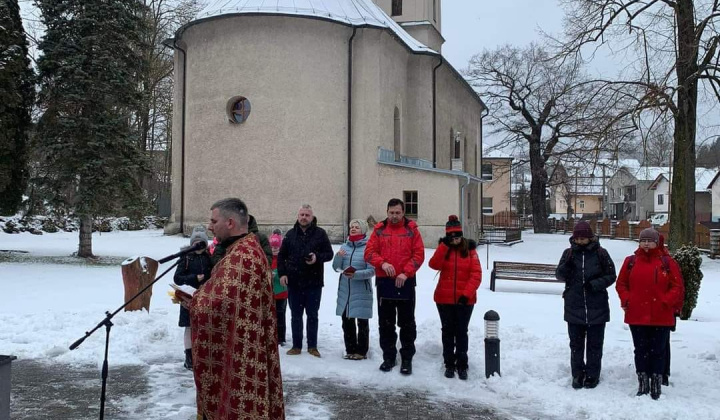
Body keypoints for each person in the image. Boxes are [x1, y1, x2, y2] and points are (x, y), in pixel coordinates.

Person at [185, 198, 284, 419]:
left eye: (213, 221)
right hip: (238, 342)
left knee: (242, 403)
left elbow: (221, 300)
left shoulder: (244, 256)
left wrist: (196, 302)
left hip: (245, 348)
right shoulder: (238, 250)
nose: (209, 226)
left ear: (230, 223)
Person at [616, 227, 684, 400]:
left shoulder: (667, 262)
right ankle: (643, 382)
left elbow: (677, 286)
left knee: (658, 350)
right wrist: (627, 299)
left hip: (661, 315)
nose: (646, 244)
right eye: (643, 240)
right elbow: (621, 284)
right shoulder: (630, 261)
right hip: (637, 314)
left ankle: (656, 383)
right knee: (640, 350)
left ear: (656, 242)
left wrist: (665, 301)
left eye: (649, 241)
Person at [364, 198, 425, 375]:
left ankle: (407, 358)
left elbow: (419, 254)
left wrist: (405, 273)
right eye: (391, 213)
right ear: (387, 212)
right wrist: (382, 264)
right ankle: (389, 357)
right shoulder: (380, 229)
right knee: (386, 323)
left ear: (403, 212)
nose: (395, 216)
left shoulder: (411, 230)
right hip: (385, 282)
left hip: (405, 281)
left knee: (407, 323)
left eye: (398, 212)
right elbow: (369, 253)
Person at [556, 221, 616, 389]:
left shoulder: (601, 253)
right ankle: (577, 374)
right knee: (576, 345)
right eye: (577, 239)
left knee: (595, 344)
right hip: (574, 306)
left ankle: (592, 375)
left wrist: (596, 284)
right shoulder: (568, 254)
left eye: (583, 238)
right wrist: (565, 267)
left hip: (597, 306)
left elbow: (611, 275)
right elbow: (559, 275)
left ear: (590, 238)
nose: (580, 242)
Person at [428, 215, 482, 380]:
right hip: (444, 299)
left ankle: (462, 364)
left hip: (465, 300)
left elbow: (476, 274)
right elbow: (434, 265)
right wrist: (443, 246)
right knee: (447, 332)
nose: (455, 240)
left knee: (461, 332)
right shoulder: (444, 249)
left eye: (458, 237)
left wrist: (466, 294)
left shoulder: (470, 250)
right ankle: (449, 364)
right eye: (452, 237)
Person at [278, 204, 333, 357]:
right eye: (301, 214)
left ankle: (312, 346)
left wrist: (316, 257)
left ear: (312, 217)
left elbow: (329, 254)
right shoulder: (290, 234)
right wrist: (282, 274)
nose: (303, 217)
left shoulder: (320, 234)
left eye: (307, 215)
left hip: (313, 283)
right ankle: (296, 346)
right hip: (294, 282)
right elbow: (282, 256)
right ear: (298, 216)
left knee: (312, 315)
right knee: (295, 315)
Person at [333, 219, 375, 360]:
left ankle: (361, 352)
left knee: (362, 322)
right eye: (352, 227)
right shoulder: (345, 246)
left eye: (357, 227)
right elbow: (335, 267)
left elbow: (372, 270)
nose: (353, 229)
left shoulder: (368, 248)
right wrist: (338, 257)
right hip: (345, 290)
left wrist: (356, 274)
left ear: (363, 230)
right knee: (347, 321)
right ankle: (350, 349)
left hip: (361, 291)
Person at [172, 226, 212, 371]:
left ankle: (202, 354)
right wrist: (193, 277)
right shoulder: (186, 257)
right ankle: (189, 356)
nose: (198, 245)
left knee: (204, 326)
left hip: (205, 297)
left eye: (201, 242)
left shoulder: (209, 258)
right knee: (189, 326)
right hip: (188, 297)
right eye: (195, 242)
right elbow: (177, 278)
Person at [270, 229, 288, 346]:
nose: (275, 249)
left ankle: (281, 338)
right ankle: (271, 336)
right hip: (270, 292)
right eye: (273, 247)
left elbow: (287, 271)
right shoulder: (268, 259)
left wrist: (278, 273)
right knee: (271, 316)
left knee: (281, 315)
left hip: (281, 292)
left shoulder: (283, 259)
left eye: (277, 247)